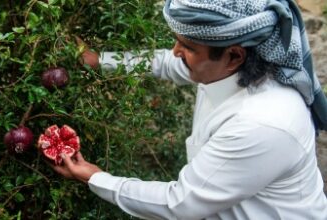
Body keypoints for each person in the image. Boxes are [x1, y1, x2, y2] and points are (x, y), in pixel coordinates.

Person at [50, 0, 327, 219]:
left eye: (187, 46)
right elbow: (165, 64)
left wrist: (95, 177)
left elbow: (179, 203)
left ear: (233, 55)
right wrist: (98, 60)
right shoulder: (231, 69)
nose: (175, 51)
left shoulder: (263, 122)